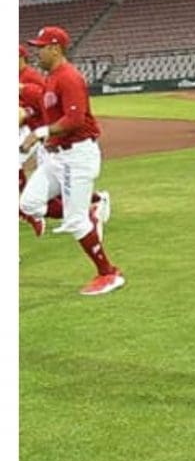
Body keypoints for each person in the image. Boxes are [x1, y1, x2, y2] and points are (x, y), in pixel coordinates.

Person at [18, 26, 118, 293]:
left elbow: (74, 119)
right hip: (56, 157)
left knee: (75, 222)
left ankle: (108, 273)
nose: (37, 52)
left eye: (41, 47)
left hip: (77, 156)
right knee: (28, 203)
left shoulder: (69, 77)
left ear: (55, 48)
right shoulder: (50, 77)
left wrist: (40, 132)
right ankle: (91, 210)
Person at [18, 44, 46, 194]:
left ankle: (24, 211)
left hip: (41, 131)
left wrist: (27, 112)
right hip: (27, 130)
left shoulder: (31, 76)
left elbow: (45, 103)